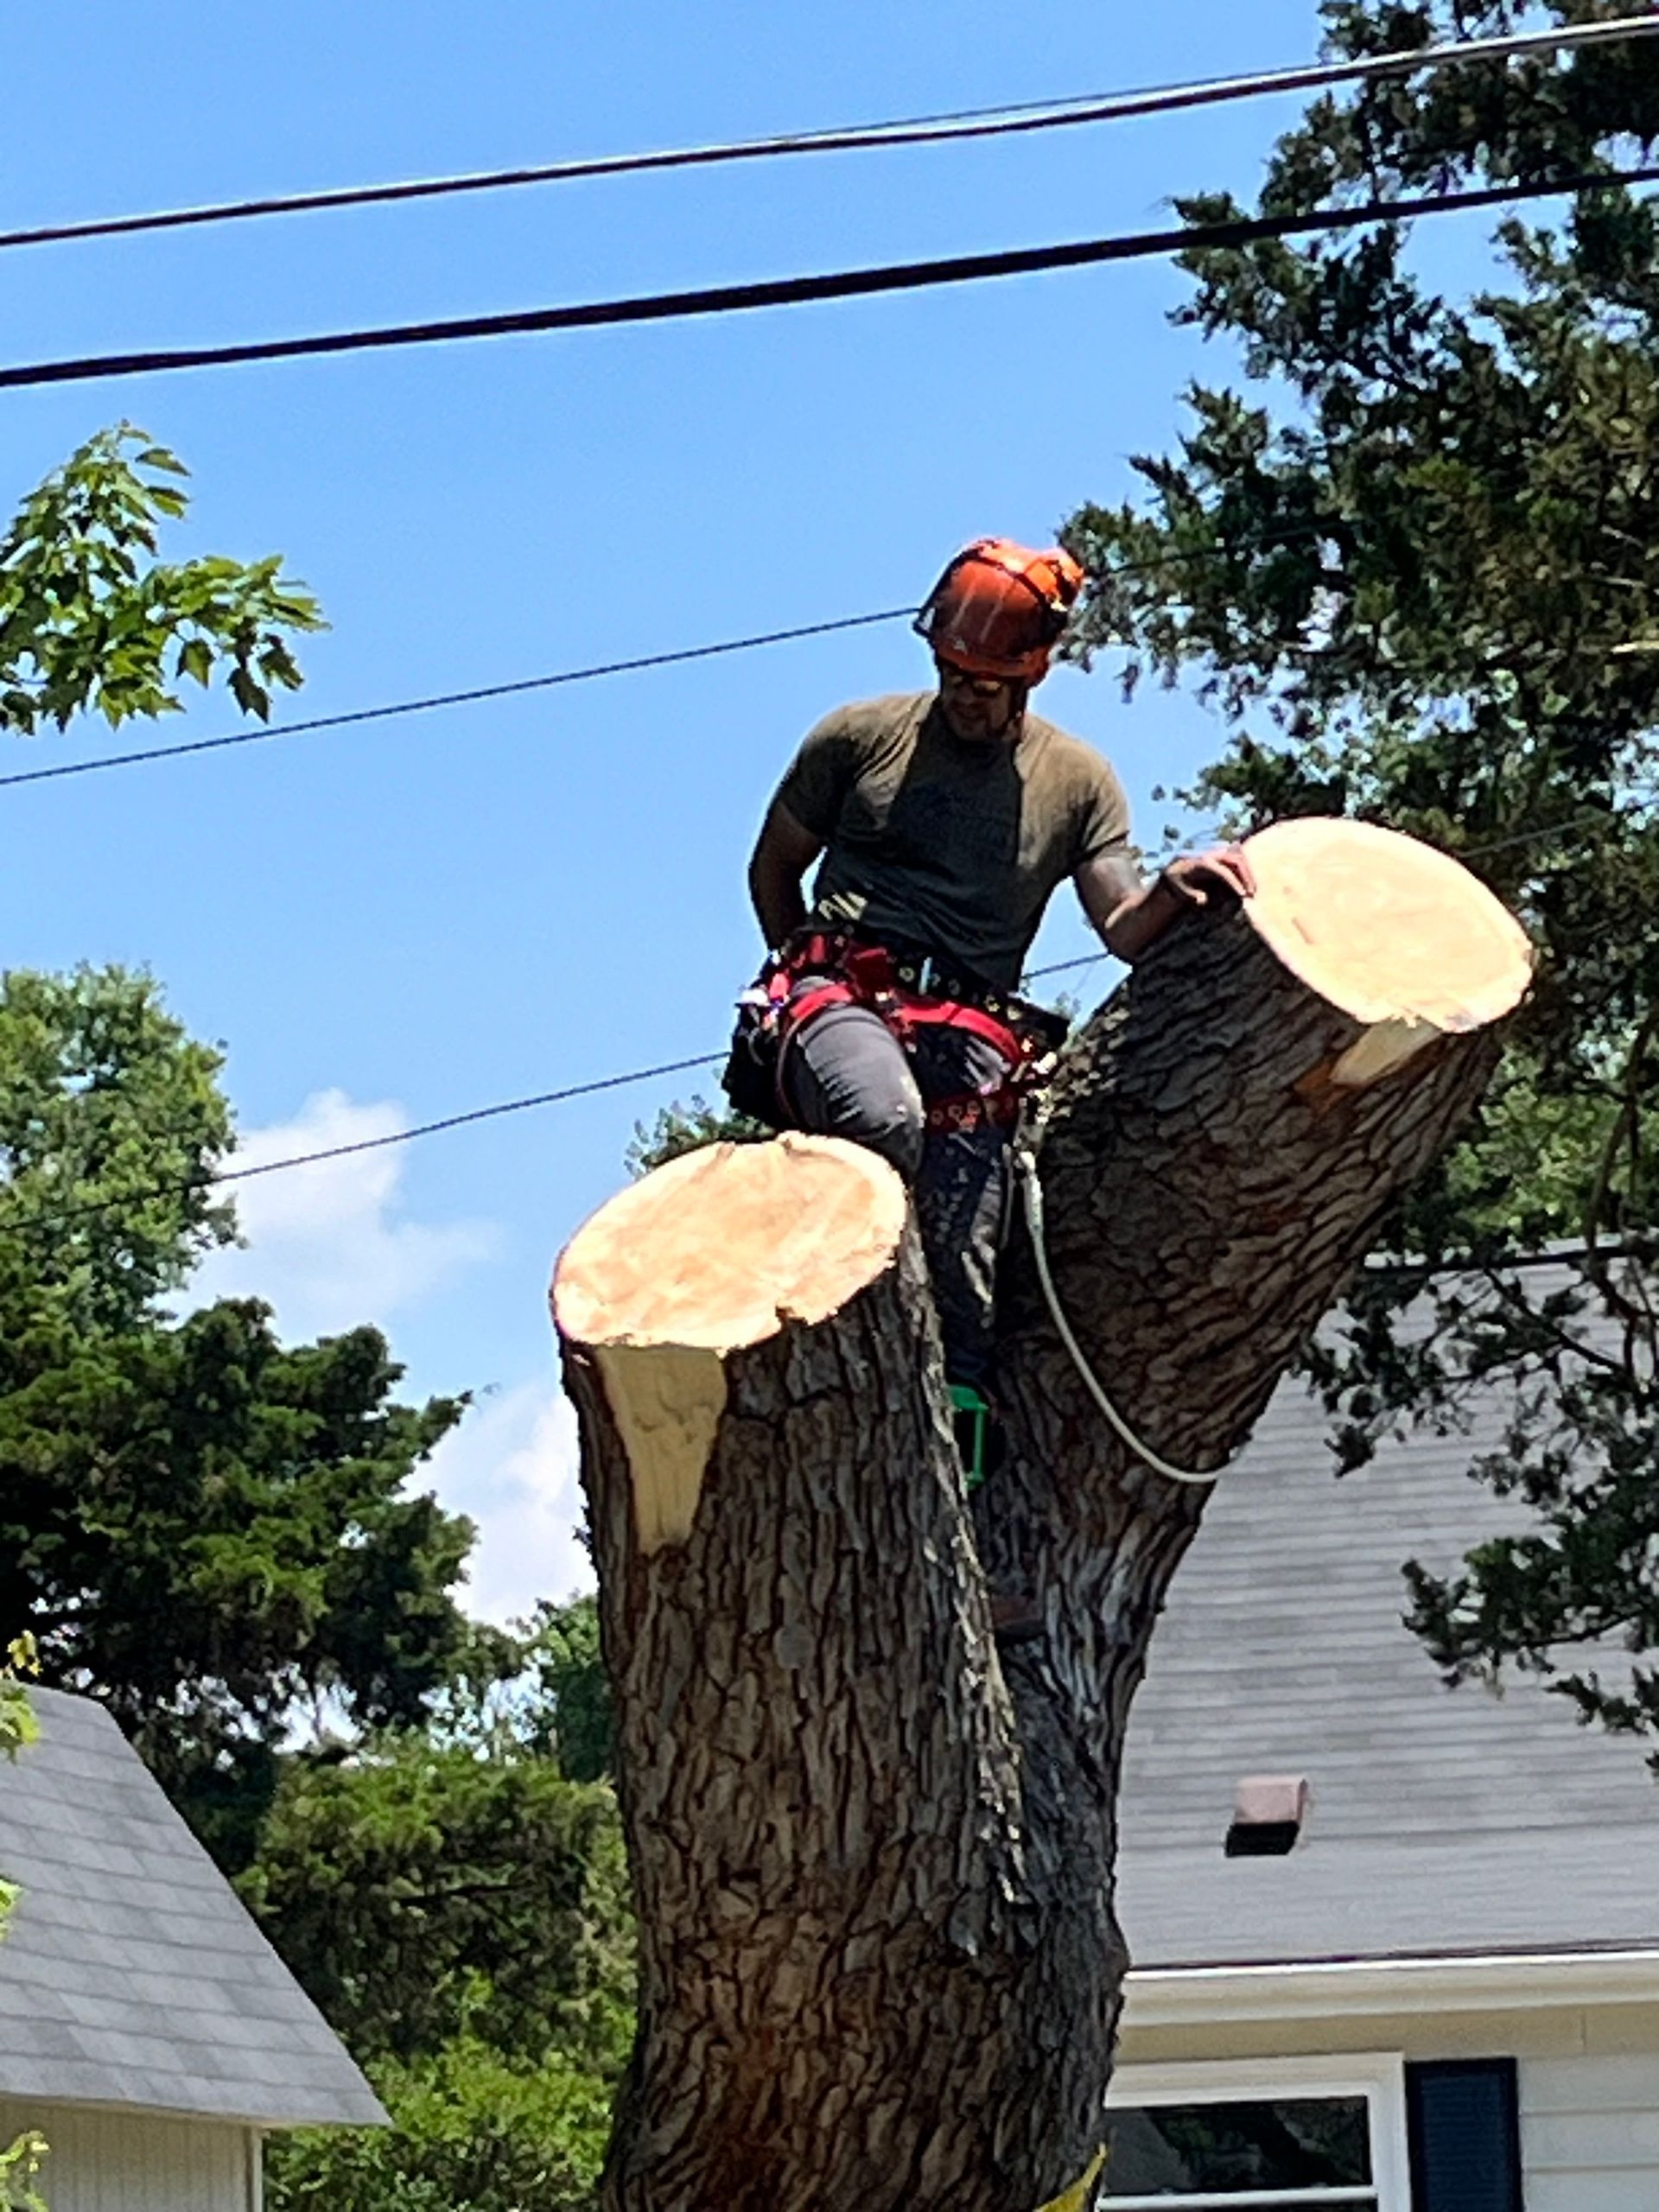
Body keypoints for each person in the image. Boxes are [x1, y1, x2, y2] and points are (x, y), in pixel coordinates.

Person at [729, 536, 1252, 1416]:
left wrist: (1172, 889)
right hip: (840, 994)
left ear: (1034, 670)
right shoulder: (859, 738)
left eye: (984, 682)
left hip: (968, 1027)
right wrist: (798, 986)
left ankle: (948, 1430)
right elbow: (772, 869)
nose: (964, 696)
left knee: (969, 1270)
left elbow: (1123, 926)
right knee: (882, 1116)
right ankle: (835, 1353)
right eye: (951, 674)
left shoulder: (1076, 783)